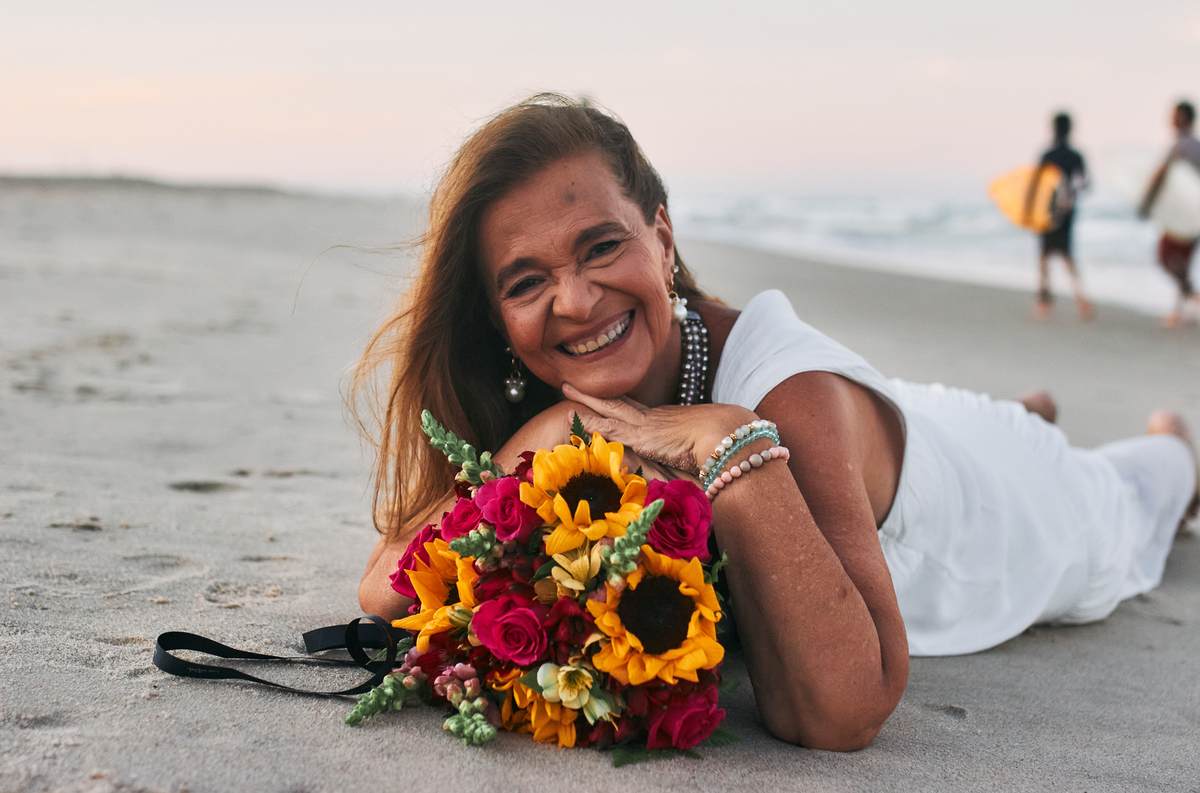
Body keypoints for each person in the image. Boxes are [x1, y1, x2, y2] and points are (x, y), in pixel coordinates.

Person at [354, 95, 1198, 751]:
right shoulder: (572, 397)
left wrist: (727, 443)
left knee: (1128, 492)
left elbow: (841, 712)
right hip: (887, 438)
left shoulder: (784, 392)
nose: (574, 300)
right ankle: (1013, 409)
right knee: (922, 414)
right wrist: (545, 435)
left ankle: (1163, 444)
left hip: (1010, 513)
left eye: (602, 247)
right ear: (496, 316)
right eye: (526, 281)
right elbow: (387, 583)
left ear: (662, 235)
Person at [1024, 112, 1092, 320]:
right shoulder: (1075, 155)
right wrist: (1071, 193)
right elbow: (1086, 184)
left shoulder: (1048, 155)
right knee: (1066, 254)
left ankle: (1045, 302)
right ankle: (1080, 299)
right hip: (1067, 211)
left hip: (1049, 211)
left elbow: (1035, 186)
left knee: (1045, 256)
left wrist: (1028, 211)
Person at [1139, 100, 1200, 328]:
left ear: (1185, 118)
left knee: (1166, 258)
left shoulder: (1180, 146)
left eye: (1176, 115)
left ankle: (1190, 297)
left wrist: (1146, 203)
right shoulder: (1197, 146)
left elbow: (1161, 176)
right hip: (1195, 216)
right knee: (1182, 261)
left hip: (1180, 217)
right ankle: (1182, 307)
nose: (1172, 119)